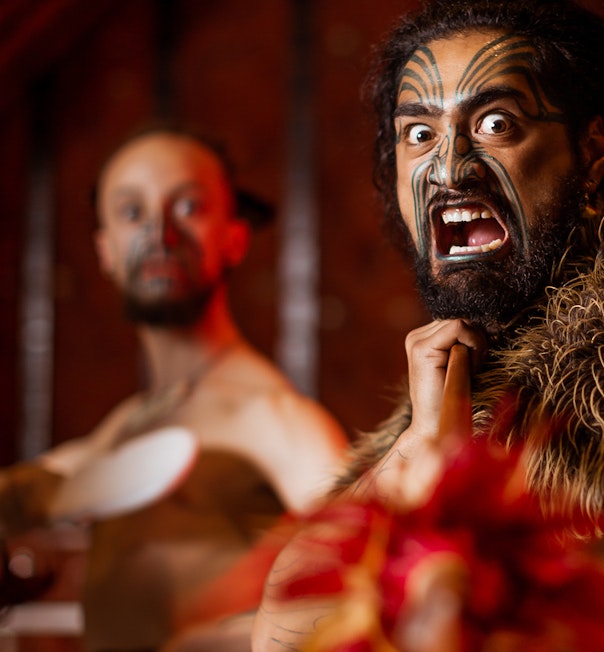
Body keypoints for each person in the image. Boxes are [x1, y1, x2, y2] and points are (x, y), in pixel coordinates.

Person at [255, 0, 604, 649]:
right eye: (418, 134)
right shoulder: (467, 372)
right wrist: (424, 443)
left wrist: (527, 606)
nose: (448, 167)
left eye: (496, 124)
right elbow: (283, 633)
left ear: (591, 155)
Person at [0, 127, 349, 652]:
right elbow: (37, 490)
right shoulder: (130, 422)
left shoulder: (274, 416)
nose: (159, 233)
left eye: (187, 206)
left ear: (234, 237)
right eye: (131, 212)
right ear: (105, 250)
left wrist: (234, 640)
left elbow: (370, 572)